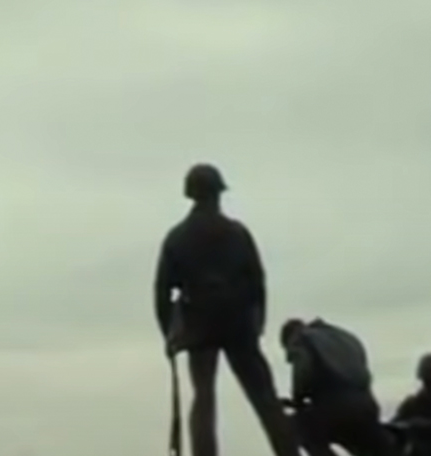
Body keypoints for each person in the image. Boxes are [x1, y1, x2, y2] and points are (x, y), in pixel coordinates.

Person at [153, 163, 298, 456]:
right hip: (238, 323)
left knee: (203, 398)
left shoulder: (177, 237)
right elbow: (258, 282)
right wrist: (257, 324)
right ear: (218, 193)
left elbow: (161, 290)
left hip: (199, 325)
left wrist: (169, 333)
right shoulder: (236, 233)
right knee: (265, 399)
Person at [280, 317, 390, 456]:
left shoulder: (303, 338)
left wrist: (297, 398)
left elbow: (303, 370)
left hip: (335, 408)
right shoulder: (342, 336)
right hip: (366, 405)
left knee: (296, 427)